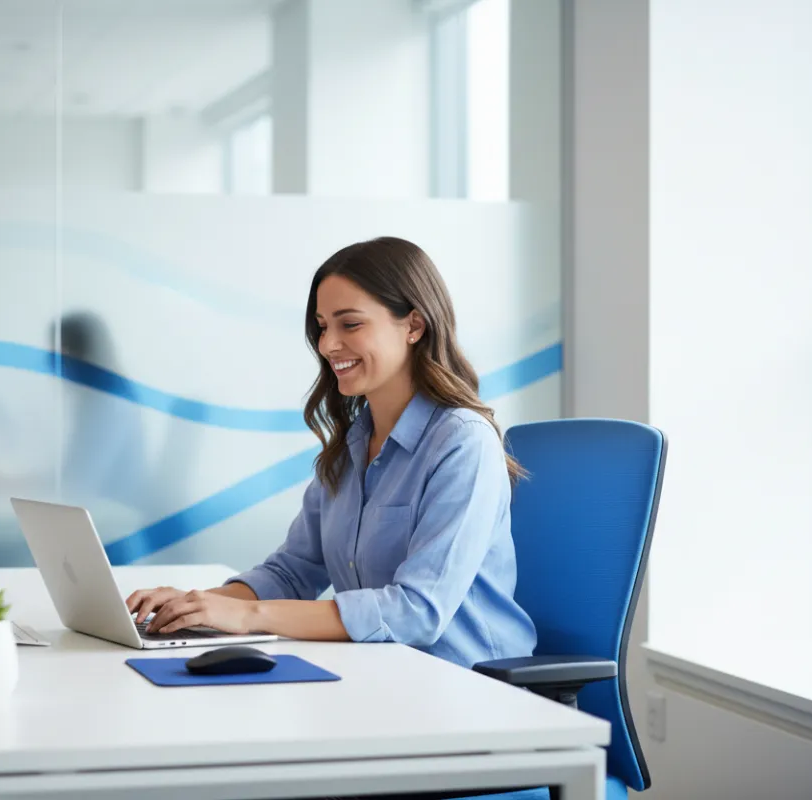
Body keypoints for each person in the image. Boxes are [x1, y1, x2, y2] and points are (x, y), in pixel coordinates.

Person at [125, 236, 538, 670]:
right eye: (323, 326)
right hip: (380, 673)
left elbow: (417, 611)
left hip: (467, 686)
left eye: (350, 324)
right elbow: (293, 572)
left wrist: (246, 616)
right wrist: (197, 605)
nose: (327, 345)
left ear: (414, 326)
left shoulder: (463, 442)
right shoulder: (351, 446)